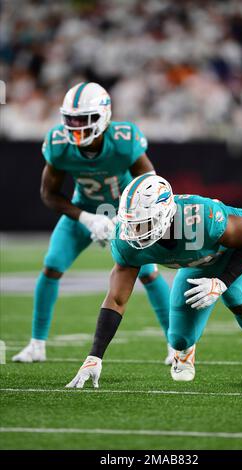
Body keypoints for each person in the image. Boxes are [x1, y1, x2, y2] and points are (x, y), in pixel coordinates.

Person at [66, 174, 242, 389]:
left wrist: (221, 283)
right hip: (197, 262)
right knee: (178, 339)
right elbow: (116, 299)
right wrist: (94, 357)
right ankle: (185, 351)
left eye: (142, 224)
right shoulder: (126, 241)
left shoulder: (201, 218)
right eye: (131, 223)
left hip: (236, 248)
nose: (135, 232)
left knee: (235, 296)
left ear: (164, 215)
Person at [13, 83, 173, 365]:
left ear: (103, 116)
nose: (75, 128)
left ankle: (176, 345)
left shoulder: (124, 140)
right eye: (71, 120)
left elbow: (151, 185)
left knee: (148, 272)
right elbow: (48, 194)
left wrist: (126, 219)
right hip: (83, 209)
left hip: (126, 211)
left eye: (83, 120)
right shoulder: (59, 144)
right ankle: (36, 344)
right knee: (51, 266)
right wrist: (87, 218)